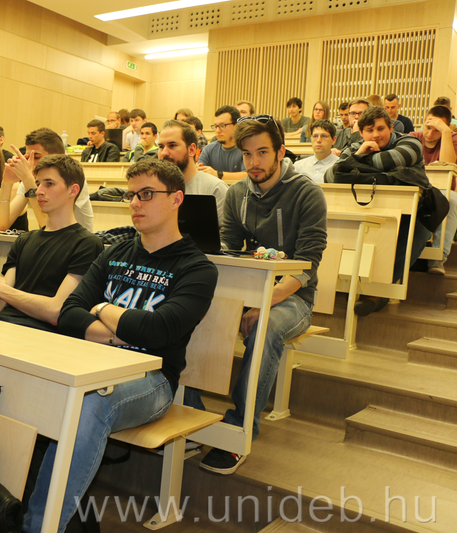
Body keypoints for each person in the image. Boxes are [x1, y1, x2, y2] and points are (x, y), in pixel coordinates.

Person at [24, 158, 218, 532]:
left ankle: (39, 526)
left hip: (152, 380)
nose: (135, 203)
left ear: (176, 199)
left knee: (90, 402)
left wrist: (101, 308)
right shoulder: (113, 253)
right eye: (131, 195)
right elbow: (69, 314)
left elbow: (160, 331)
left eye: (146, 194)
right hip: (90, 363)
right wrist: (120, 331)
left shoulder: (197, 268)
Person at [197, 115, 326, 475]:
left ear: (281, 152)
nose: (254, 162)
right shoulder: (237, 194)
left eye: (263, 152)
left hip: (294, 299)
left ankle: (239, 431)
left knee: (264, 328)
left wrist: (264, 303)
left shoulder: (307, 193)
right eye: (247, 154)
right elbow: (226, 248)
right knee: (187, 311)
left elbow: (307, 266)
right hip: (245, 292)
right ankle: (188, 411)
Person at [0, 155, 103, 331]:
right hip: (2, 327)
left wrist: (5, 292)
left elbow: (55, 311)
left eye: (49, 184)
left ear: (72, 190)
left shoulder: (87, 244)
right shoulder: (24, 240)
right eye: (37, 184)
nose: (39, 191)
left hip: (41, 335)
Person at [325, 107, 431, 316]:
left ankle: (379, 291)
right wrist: (358, 154)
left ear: (391, 127)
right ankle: (339, 282)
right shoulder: (355, 147)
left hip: (411, 212)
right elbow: (331, 176)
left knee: (417, 230)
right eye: (369, 130)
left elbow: (391, 160)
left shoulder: (410, 142)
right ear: (361, 132)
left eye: (381, 128)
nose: (375, 135)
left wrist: (357, 161)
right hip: (368, 206)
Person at [0, 128, 94, 232]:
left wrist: (28, 181)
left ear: (57, 156)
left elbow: (50, 226)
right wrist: (7, 182)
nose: (30, 163)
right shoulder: (31, 178)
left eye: (36, 157)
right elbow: (1, 226)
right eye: (28, 157)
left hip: (75, 240)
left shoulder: (71, 177)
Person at [410, 105, 457, 274]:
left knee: (451, 201)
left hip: (442, 190)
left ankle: (437, 258)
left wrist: (446, 133)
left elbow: (447, 165)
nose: (429, 134)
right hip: (417, 189)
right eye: (427, 127)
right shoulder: (413, 137)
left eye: (437, 130)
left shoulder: (452, 138)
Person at [158, 120, 228, 223]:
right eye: (161, 147)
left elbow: (225, 232)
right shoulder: (154, 189)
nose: (164, 153)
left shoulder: (215, 189)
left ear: (191, 150)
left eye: (172, 145)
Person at [197, 105, 247, 180]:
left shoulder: (247, 149)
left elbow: (247, 176)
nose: (217, 130)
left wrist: (218, 174)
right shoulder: (208, 150)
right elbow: (200, 174)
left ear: (236, 126)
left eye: (222, 126)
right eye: (215, 126)